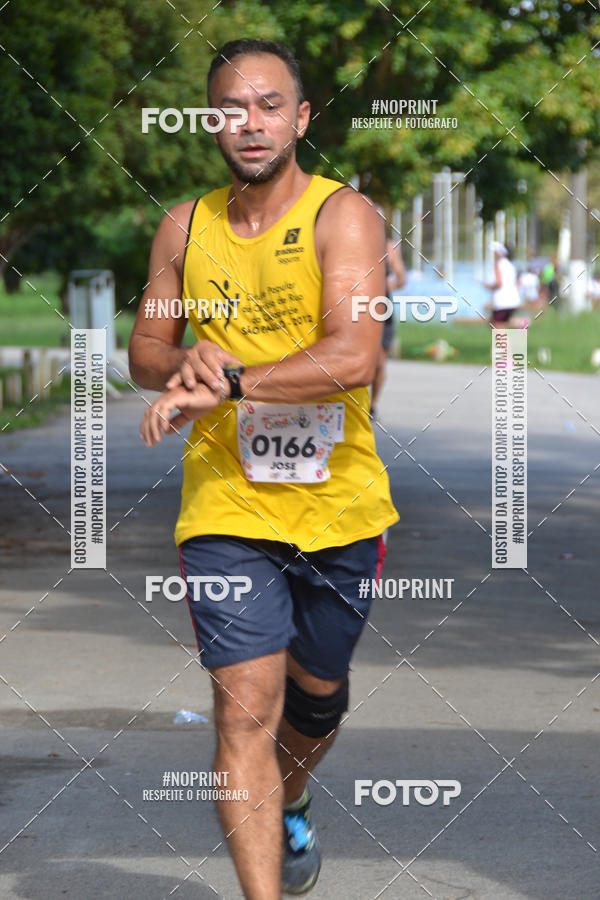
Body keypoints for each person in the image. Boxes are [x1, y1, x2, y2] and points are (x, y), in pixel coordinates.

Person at [129, 38, 398, 899]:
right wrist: (184, 365)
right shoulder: (184, 226)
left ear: (302, 117)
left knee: (315, 703)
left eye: (271, 105)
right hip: (226, 508)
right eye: (234, 108)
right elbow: (144, 348)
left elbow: (354, 355)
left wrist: (233, 382)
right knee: (246, 706)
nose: (252, 124)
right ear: (212, 121)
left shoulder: (341, 215)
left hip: (340, 506)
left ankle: (294, 797)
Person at [370, 214, 406, 417]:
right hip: (356, 305)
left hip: (382, 305)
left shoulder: (389, 247)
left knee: (379, 362)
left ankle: (372, 405)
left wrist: (393, 282)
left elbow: (402, 277)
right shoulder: (351, 241)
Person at [484, 241, 521, 325]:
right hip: (513, 299)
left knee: (498, 326)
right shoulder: (510, 265)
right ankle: (520, 323)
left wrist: (488, 286)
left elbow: (499, 283)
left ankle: (520, 324)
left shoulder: (498, 264)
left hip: (502, 301)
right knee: (496, 322)